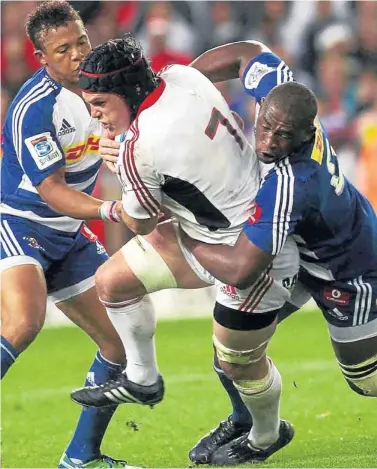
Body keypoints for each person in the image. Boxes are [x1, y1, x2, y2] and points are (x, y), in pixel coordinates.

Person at [70, 35, 301, 464]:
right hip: (216, 228)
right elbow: (239, 53)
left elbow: (142, 219)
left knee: (234, 360)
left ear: (127, 93)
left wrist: (118, 166)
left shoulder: (141, 147)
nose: (95, 115)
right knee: (113, 282)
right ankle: (143, 377)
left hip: (254, 250)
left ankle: (267, 436)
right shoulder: (180, 76)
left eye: (100, 103)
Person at [175, 40, 377, 465]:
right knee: (233, 340)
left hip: (348, 272)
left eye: (282, 136)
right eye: (264, 126)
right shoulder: (281, 97)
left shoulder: (294, 181)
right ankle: (249, 425)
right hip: (304, 252)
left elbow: (242, 269)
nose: (266, 141)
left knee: (366, 382)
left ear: (306, 134)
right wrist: (180, 86)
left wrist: (184, 233)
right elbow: (247, 51)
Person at [0, 3, 140, 468]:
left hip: (69, 233)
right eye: (64, 49)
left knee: (121, 341)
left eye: (81, 41)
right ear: (42, 57)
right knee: (23, 322)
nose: (78, 54)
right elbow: (54, 192)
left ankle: (82, 457)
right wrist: (110, 210)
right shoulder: (33, 109)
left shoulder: (104, 84)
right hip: (21, 222)